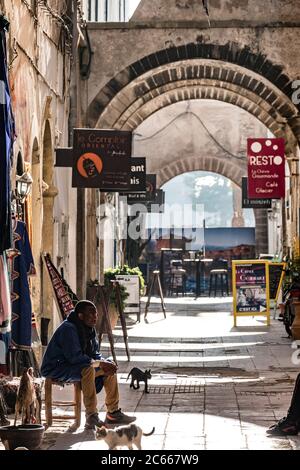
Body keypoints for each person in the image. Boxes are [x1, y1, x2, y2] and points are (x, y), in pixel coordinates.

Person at [41, 300, 136, 430]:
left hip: (75, 366)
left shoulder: (89, 329)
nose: (95, 317)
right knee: (88, 369)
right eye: (91, 314)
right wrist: (99, 363)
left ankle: (113, 413)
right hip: (57, 367)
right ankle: (91, 416)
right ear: (80, 316)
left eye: (96, 314)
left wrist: (105, 362)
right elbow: (74, 357)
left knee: (109, 368)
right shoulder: (69, 329)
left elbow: (95, 354)